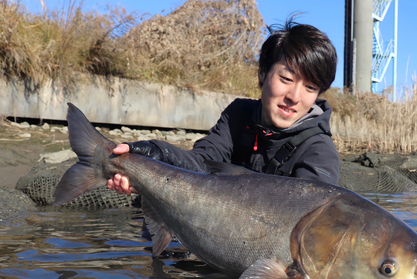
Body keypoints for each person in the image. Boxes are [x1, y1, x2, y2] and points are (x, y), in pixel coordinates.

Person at [108, 17, 340, 196]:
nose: (294, 97)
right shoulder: (238, 114)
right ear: (263, 73)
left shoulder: (319, 152)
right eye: (286, 79)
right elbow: (201, 162)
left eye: (310, 88)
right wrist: (155, 155)